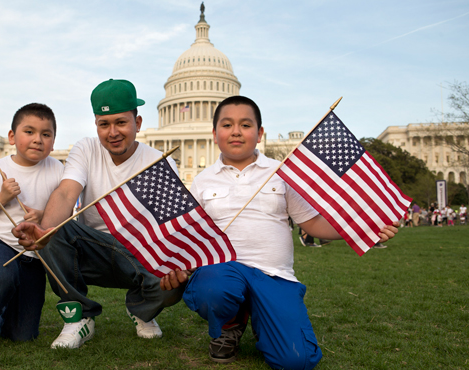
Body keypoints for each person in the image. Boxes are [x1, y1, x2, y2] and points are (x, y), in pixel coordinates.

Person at [160, 96, 399, 369]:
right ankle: (230, 323)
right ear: (214, 134)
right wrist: (175, 266)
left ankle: (264, 317)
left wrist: (359, 228)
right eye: (227, 125)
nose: (236, 131)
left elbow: (312, 223)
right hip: (224, 271)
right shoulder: (202, 180)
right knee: (214, 288)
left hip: (274, 276)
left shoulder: (281, 173)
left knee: (296, 360)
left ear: (260, 133)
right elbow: (190, 236)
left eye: (246, 124)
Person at [13, 79, 184, 349]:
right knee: (53, 229)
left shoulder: (159, 162)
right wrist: (44, 232)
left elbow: (172, 224)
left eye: (121, 122)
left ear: (137, 123)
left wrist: (180, 263)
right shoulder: (87, 148)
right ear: (96, 125)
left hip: (139, 255)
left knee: (178, 280)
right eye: (104, 124)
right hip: (93, 250)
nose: (112, 132)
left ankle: (140, 309)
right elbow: (67, 193)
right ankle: (79, 318)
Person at [0, 103, 64, 356]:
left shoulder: (58, 170)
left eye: (46, 134)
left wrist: (43, 215)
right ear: (12, 137)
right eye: (29, 132)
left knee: (21, 335)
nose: (37, 140)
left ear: (53, 141)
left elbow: (67, 212)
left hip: (33, 254)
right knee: (1, 275)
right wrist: (2, 196)